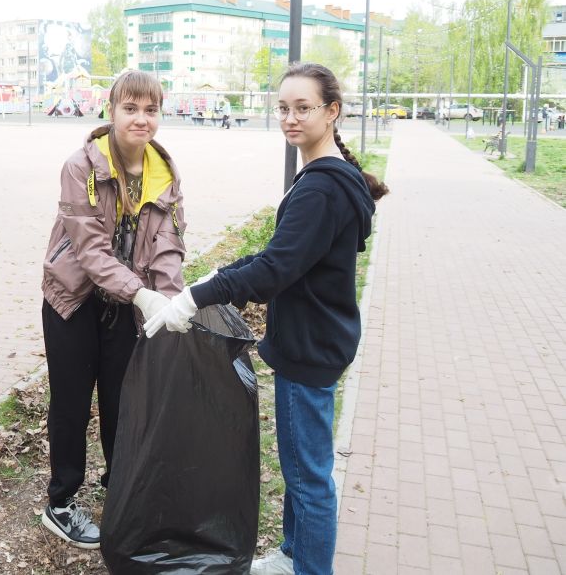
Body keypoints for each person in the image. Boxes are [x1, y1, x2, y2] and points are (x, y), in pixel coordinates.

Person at [144, 62, 388, 575]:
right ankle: (294, 554)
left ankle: (309, 568)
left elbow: (274, 270)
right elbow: (282, 256)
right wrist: (215, 277)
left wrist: (194, 298)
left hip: (309, 348)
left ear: (332, 112)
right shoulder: (330, 178)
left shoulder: (322, 188)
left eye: (304, 108)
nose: (291, 119)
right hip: (316, 340)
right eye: (283, 108)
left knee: (308, 478)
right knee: (302, 469)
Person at [40, 70, 187, 549]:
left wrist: (169, 299)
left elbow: (167, 246)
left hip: (126, 307)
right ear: (111, 111)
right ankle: (61, 502)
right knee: (72, 402)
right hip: (73, 300)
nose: (141, 119)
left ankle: (120, 489)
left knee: (123, 404)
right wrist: (142, 295)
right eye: (131, 108)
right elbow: (90, 250)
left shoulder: (165, 173)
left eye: (151, 110)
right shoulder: (80, 167)